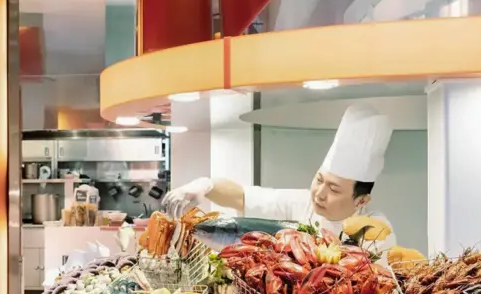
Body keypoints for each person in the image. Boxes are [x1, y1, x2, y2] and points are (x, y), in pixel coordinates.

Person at [163, 103, 396, 252]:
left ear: (361, 200)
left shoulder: (376, 227)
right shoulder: (303, 203)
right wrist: (204, 185)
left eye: (334, 190)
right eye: (319, 179)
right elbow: (241, 196)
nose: (320, 193)